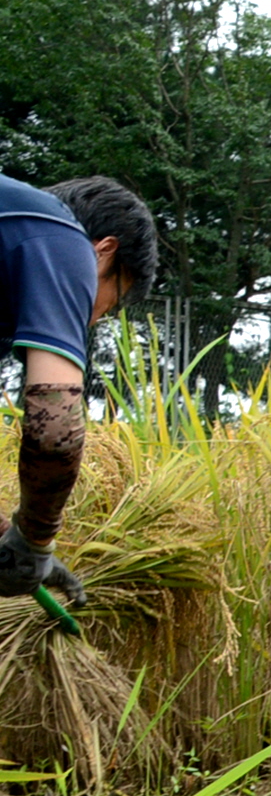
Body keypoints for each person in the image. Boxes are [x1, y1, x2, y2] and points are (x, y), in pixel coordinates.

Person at [0, 175, 159, 606]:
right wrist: (35, 542)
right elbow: (54, 429)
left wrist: (6, 544)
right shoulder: (63, 238)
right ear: (104, 252)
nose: (96, 318)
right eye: (113, 300)